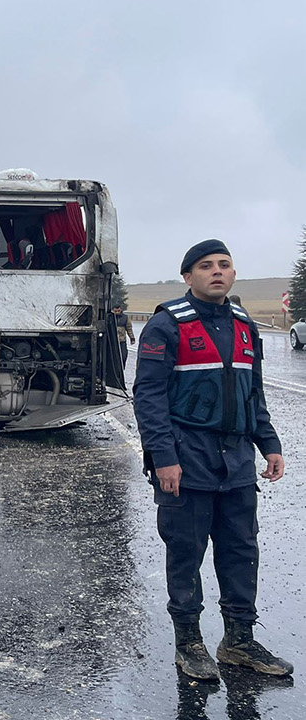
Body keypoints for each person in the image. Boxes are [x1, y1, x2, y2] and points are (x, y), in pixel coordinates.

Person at [133, 239, 290, 681]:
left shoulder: (244, 326)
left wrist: (269, 443)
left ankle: (238, 641)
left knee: (241, 551)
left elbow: (252, 393)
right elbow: (149, 398)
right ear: (188, 276)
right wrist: (163, 457)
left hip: (236, 462)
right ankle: (189, 644)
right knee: (186, 553)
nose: (216, 271)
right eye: (205, 266)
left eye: (224, 265)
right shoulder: (166, 326)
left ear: (234, 275)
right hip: (187, 461)